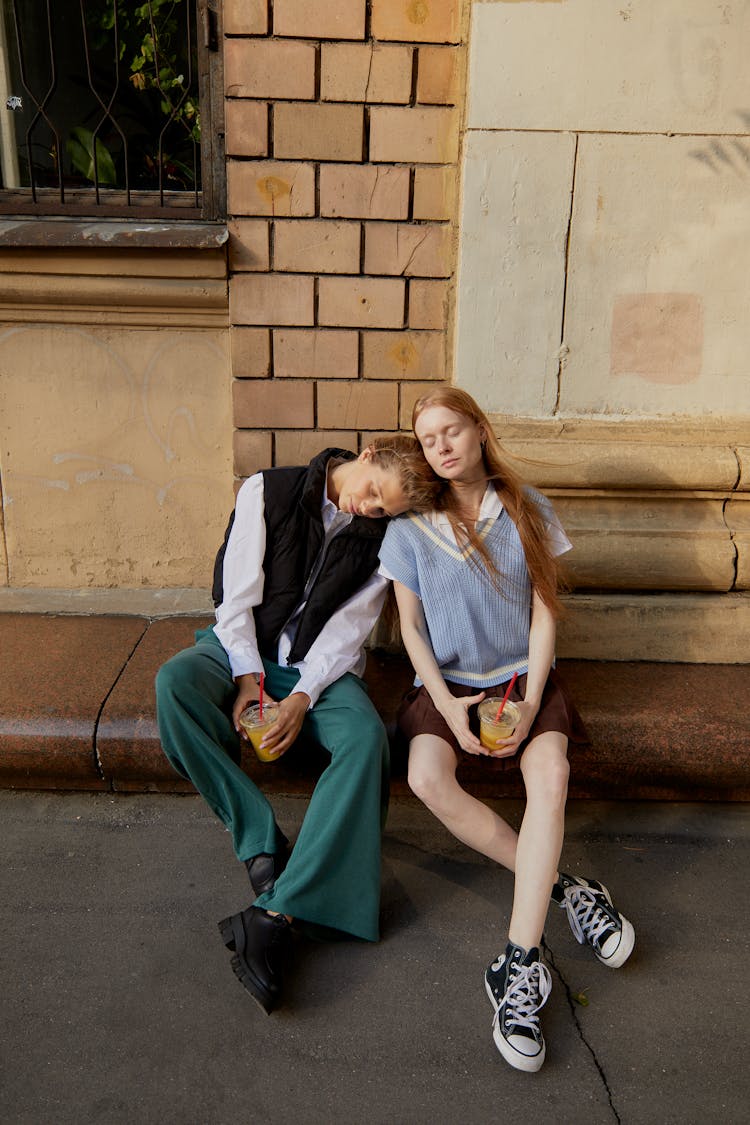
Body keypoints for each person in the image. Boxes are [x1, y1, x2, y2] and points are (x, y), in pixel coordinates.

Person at [378, 388, 635, 1073]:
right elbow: (409, 626)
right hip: (447, 682)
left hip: (523, 675)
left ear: (478, 430)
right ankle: (566, 888)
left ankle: (516, 966)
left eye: (451, 431)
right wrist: (448, 704)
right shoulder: (408, 527)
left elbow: (546, 614)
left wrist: (527, 697)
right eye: (428, 439)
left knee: (550, 775)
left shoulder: (526, 508)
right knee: (427, 775)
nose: (441, 446)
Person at [156, 438, 440, 1014]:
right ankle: (261, 845)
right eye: (374, 494)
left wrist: (303, 695)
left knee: (363, 739)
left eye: (385, 510)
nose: (371, 510)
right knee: (175, 685)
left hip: (320, 672)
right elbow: (235, 600)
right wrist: (247, 679)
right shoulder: (269, 490)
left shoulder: (387, 538)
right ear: (367, 454)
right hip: (242, 651)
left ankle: (273, 915)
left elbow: (348, 629)